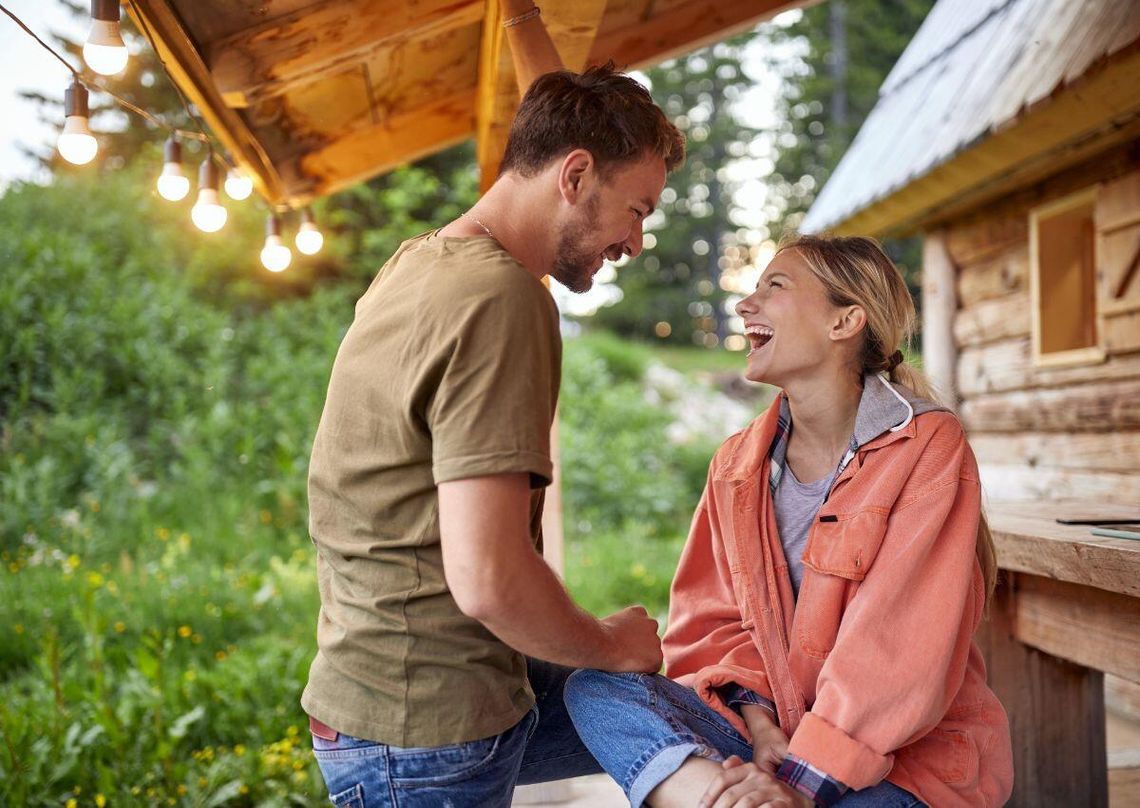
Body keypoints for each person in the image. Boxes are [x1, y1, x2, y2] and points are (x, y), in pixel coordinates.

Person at [299, 2, 685, 806]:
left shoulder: (425, 263)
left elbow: (550, 111)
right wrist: (608, 643)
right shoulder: (502, 299)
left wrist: (521, 18)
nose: (635, 242)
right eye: (638, 211)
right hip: (423, 734)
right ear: (574, 176)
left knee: (680, 711)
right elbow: (488, 579)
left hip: (397, 699)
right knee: (639, 679)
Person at [564, 235, 1015, 807]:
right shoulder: (735, 463)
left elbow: (897, 650)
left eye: (774, 287)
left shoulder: (925, 445)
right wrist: (758, 723)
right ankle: (723, 800)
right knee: (599, 688)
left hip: (903, 765)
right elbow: (714, 621)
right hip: (773, 746)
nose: (746, 304)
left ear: (846, 320)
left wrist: (801, 786)